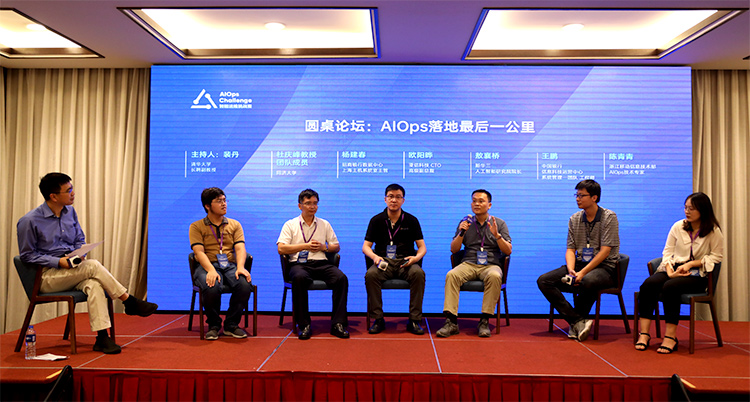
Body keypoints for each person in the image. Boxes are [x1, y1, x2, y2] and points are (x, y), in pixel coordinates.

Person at [16, 173, 158, 354]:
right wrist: (58, 261)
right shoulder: (29, 221)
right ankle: (128, 300)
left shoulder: (70, 212)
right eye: (68, 190)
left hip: (72, 270)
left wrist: (79, 253)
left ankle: (102, 337)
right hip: (46, 277)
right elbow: (27, 255)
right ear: (53, 196)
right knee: (93, 266)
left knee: (94, 284)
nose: (73, 193)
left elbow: (79, 239)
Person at [635, 192, 723, 354]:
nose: (687, 212)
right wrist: (670, 271)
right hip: (674, 269)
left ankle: (670, 337)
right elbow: (667, 253)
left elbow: (716, 257)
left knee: (670, 287)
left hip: (697, 274)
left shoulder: (713, 231)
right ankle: (644, 334)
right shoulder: (678, 226)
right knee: (649, 284)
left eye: (692, 209)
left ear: (703, 210)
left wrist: (691, 263)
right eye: (685, 207)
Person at [537, 179, 620, 342]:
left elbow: (605, 251)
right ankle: (577, 321)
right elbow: (570, 249)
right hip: (580, 264)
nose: (577, 199)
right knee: (544, 280)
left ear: (594, 198)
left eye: (582, 195)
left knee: (587, 281)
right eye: (576, 195)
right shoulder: (574, 219)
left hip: (605, 267)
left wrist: (582, 273)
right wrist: (571, 269)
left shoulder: (609, 217)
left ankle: (577, 322)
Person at [436, 189, 512, 338]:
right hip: (469, 263)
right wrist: (461, 233)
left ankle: (484, 321)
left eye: (481, 201)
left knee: (495, 276)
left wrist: (497, 236)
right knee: (452, 275)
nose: (477, 204)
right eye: (474, 201)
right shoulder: (466, 222)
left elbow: (508, 251)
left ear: (489, 205)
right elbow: (454, 249)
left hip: (491, 265)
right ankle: (451, 322)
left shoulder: (499, 223)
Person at [277, 189, 349, 340]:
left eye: (315, 203)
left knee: (341, 278)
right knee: (299, 278)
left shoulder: (324, 224)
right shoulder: (290, 224)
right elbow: (281, 248)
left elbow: (336, 246)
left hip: (321, 263)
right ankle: (304, 325)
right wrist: (305, 246)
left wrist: (323, 247)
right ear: (300, 206)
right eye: (308, 203)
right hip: (299, 264)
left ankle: (338, 324)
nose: (312, 206)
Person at [189, 187, 253, 340]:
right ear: (207, 206)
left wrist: (240, 267)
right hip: (206, 265)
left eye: (225, 200)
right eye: (219, 201)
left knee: (244, 285)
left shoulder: (234, 224)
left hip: (229, 265)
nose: (224, 204)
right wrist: (211, 270)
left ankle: (231, 324)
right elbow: (199, 252)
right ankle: (214, 325)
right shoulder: (196, 226)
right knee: (211, 285)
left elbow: (240, 248)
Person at [363, 184, 427, 335]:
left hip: (405, 262)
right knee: (371, 275)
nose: (394, 200)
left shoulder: (411, 220)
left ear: (403, 200)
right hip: (384, 262)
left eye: (398, 197)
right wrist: (375, 257)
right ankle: (378, 319)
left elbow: (422, 247)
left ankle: (414, 320)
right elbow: (366, 247)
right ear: (385, 199)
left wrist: (416, 258)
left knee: (418, 274)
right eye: (390, 196)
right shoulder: (376, 220)